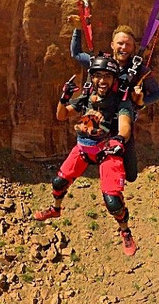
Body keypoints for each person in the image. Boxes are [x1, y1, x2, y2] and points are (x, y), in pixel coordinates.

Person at [34, 54, 139, 256]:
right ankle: (55, 210)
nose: (102, 80)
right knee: (58, 183)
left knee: (113, 202)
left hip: (107, 152)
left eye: (107, 76)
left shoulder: (120, 102)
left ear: (114, 79)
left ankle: (125, 231)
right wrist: (63, 98)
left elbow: (125, 127)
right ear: (92, 77)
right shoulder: (86, 98)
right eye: (98, 75)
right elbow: (61, 115)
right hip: (83, 150)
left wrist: (118, 140)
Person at [70, 24, 159, 182]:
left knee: (131, 175)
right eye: (120, 43)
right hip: (97, 119)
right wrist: (78, 29)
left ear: (133, 47)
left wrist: (140, 102)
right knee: (88, 156)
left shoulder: (139, 69)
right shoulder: (99, 62)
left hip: (122, 122)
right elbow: (77, 54)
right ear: (112, 44)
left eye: (128, 44)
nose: (123, 47)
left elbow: (158, 92)